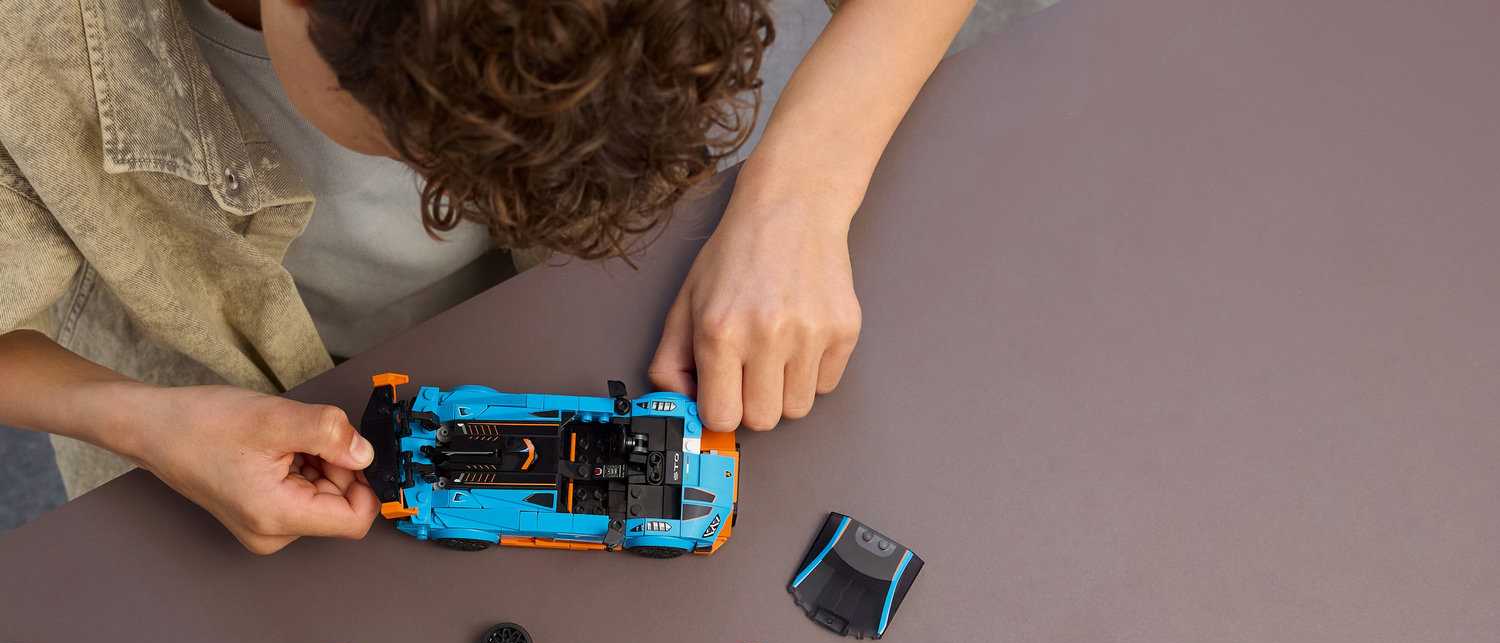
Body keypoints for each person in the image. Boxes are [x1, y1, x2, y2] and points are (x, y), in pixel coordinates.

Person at [0, 0, 1055, 553]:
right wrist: (139, 420)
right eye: (432, 158)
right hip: (203, 386)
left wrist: (798, 197)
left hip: (552, 323)